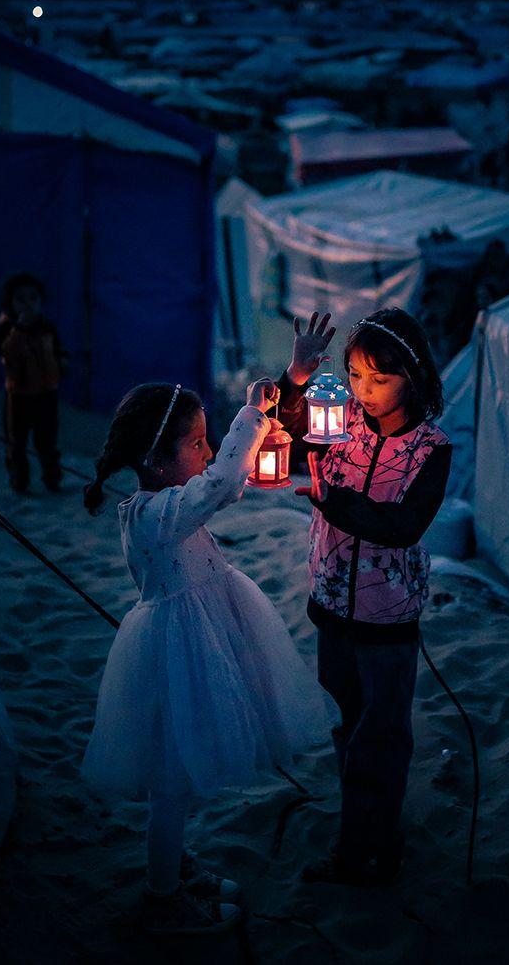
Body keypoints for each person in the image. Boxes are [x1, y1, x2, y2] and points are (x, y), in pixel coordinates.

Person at [80, 380, 329, 935]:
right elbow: (220, 485)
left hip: (202, 635)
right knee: (173, 781)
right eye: (196, 443)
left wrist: (268, 407)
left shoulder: (168, 505)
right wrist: (250, 415)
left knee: (180, 780)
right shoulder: (154, 515)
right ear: (155, 459)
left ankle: (170, 865)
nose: (210, 451)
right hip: (180, 654)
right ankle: (163, 891)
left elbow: (226, 485)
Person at [275, 309, 453, 886]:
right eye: (355, 375)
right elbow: (287, 422)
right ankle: (362, 829)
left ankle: (367, 849)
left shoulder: (431, 447)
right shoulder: (341, 418)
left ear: (415, 375)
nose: (364, 391)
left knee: (382, 736)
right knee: (345, 724)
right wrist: (298, 375)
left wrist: (335, 504)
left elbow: (405, 525)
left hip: (388, 615)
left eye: (380, 379)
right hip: (330, 602)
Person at [0, 273, 66, 493]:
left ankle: (52, 479)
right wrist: (19, 330)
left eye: (33, 298)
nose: (28, 304)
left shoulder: (47, 327)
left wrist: (63, 363)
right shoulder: (7, 328)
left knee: (47, 440)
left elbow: (58, 352)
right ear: (10, 303)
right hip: (19, 395)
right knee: (17, 442)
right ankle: (19, 481)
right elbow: (7, 354)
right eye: (21, 299)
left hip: (46, 393)